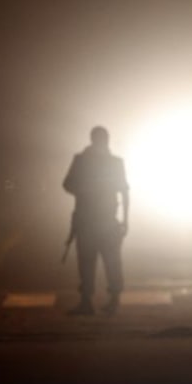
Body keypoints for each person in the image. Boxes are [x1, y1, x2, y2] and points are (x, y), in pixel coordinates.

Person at [63, 126, 129, 316]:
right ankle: (102, 300)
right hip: (99, 220)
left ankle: (90, 301)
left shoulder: (83, 161)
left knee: (93, 262)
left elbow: (68, 184)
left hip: (95, 220)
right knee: (106, 262)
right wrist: (125, 219)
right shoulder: (110, 162)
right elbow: (124, 192)